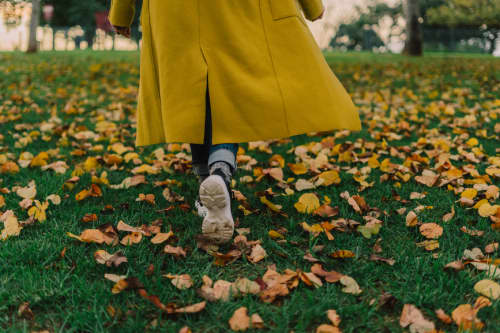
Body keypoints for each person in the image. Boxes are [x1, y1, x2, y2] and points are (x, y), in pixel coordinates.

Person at [108, 0, 361, 244]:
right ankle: (220, 171)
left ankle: (206, 182)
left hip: (172, 9)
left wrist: (121, 11)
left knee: (191, 86)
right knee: (229, 83)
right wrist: (312, 5)